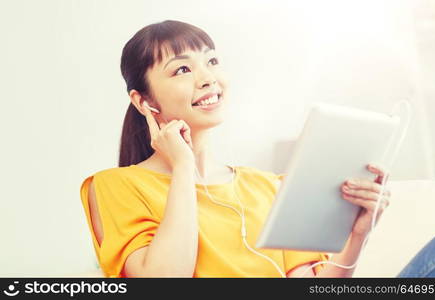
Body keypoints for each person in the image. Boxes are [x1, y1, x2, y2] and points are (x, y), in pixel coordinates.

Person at [79, 20, 391, 278]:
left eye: (211, 61)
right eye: (182, 70)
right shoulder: (115, 186)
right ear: (144, 101)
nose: (207, 78)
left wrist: (358, 236)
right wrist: (184, 167)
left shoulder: (269, 187)